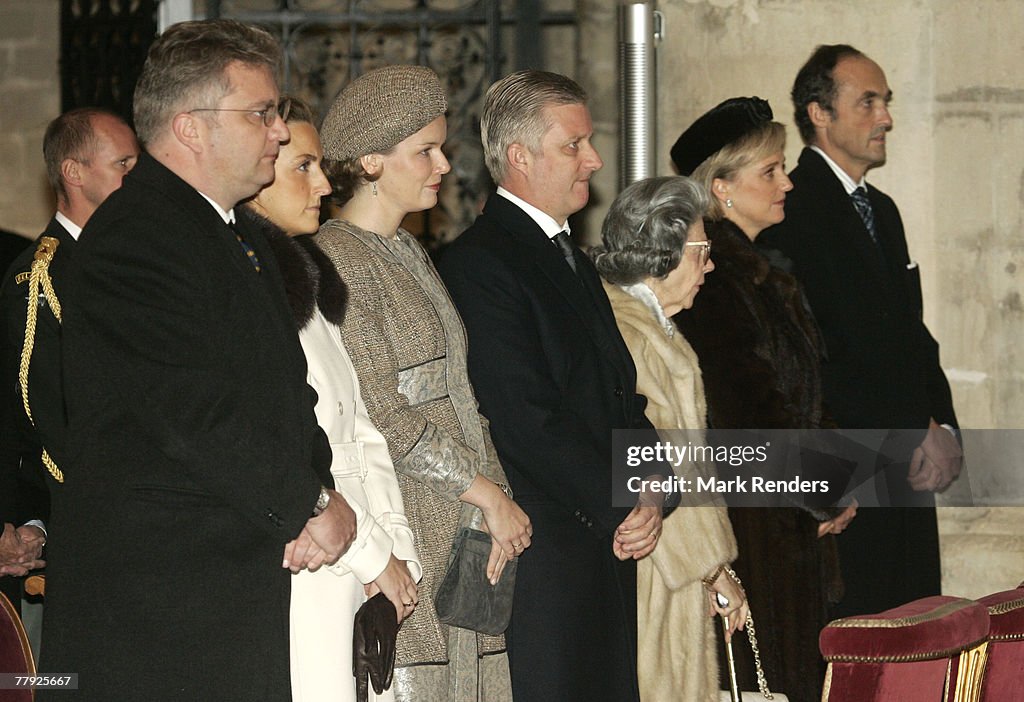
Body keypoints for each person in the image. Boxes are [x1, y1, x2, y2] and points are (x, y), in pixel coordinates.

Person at [39, 21, 357, 701]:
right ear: (190, 127)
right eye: (260, 112)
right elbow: (191, 413)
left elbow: (284, 389)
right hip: (158, 602)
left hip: (223, 581)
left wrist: (316, 485)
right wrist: (311, 501)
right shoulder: (137, 238)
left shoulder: (230, 229)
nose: (278, 129)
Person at [437, 70, 664, 702]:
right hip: (549, 562)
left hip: (603, 548)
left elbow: (622, 398)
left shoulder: (569, 257)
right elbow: (525, 417)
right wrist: (624, 501)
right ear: (519, 156)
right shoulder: (483, 264)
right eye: (574, 145)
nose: (593, 159)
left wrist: (651, 491)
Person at [315, 64, 531, 702]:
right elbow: (379, 408)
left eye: (442, 147)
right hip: (402, 520)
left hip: (461, 522)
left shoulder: (409, 251)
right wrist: (486, 492)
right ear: (371, 161)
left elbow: (461, 395)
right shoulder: (337, 258)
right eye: (424, 151)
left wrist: (496, 497)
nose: (443, 165)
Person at [758, 45, 962, 619]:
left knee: (917, 636)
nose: (886, 118)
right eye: (867, 102)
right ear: (819, 114)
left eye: (886, 102)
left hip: (907, 468)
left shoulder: (884, 211)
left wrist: (942, 422)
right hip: (847, 470)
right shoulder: (792, 212)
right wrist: (913, 421)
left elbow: (909, 333)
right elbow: (816, 353)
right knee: (862, 646)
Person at [671, 96, 856, 702]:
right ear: (721, 186)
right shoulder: (714, 278)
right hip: (753, 530)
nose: (788, 181)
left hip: (791, 522)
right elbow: (750, 410)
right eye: (770, 171)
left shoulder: (764, 273)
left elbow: (809, 396)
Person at [240, 95, 422, 702]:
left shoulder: (311, 280)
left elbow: (363, 426)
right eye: (303, 167)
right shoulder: (253, 287)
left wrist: (396, 551)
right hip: (314, 563)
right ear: (257, 179)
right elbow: (294, 442)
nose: (323, 182)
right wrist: (372, 556)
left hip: (362, 555)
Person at [591, 175, 749, 702]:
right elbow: (659, 468)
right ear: (663, 252)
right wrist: (712, 568)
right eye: (702, 251)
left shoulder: (652, 329)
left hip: (666, 566)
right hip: (653, 569)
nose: (710, 265)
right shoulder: (631, 336)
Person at [0, 108, 139, 611]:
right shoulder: (45, 276)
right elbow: (40, 415)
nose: (135, 178)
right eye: (123, 164)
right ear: (74, 173)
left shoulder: (127, 263)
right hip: (93, 515)